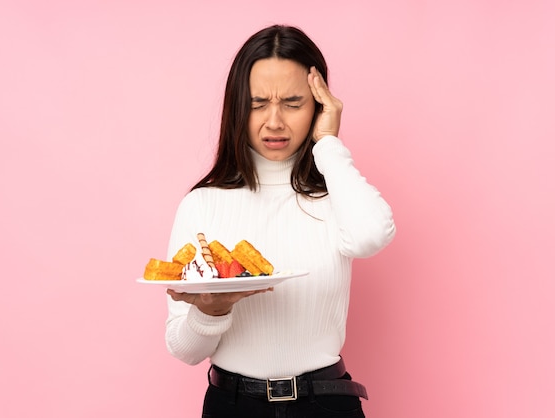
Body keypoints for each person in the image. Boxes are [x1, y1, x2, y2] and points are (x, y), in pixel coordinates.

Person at [164, 24, 395, 417]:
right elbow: (183, 350)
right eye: (257, 103)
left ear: (318, 105)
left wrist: (330, 145)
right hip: (232, 405)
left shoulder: (335, 196)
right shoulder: (202, 204)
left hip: (326, 403)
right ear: (237, 106)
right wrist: (211, 311)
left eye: (292, 102)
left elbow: (373, 235)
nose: (274, 121)